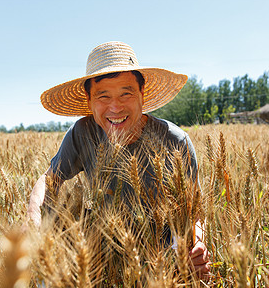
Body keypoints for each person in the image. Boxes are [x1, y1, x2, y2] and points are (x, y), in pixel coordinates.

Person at [27, 41, 210, 275]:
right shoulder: (84, 132)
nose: (115, 107)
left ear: (142, 95)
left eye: (126, 93)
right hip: (106, 259)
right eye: (103, 97)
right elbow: (49, 178)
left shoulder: (175, 141)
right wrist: (33, 215)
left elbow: (195, 211)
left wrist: (198, 245)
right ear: (90, 100)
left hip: (166, 262)